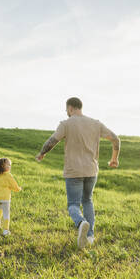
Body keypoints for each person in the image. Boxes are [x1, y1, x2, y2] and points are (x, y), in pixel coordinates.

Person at [35, 97, 120, 248]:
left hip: (73, 171)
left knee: (73, 204)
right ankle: (90, 236)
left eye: (66, 109)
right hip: (91, 170)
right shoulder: (96, 124)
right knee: (87, 201)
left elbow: (52, 141)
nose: (66, 111)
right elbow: (115, 139)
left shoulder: (66, 124)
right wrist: (114, 159)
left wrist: (42, 153)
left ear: (70, 108)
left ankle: (81, 223)